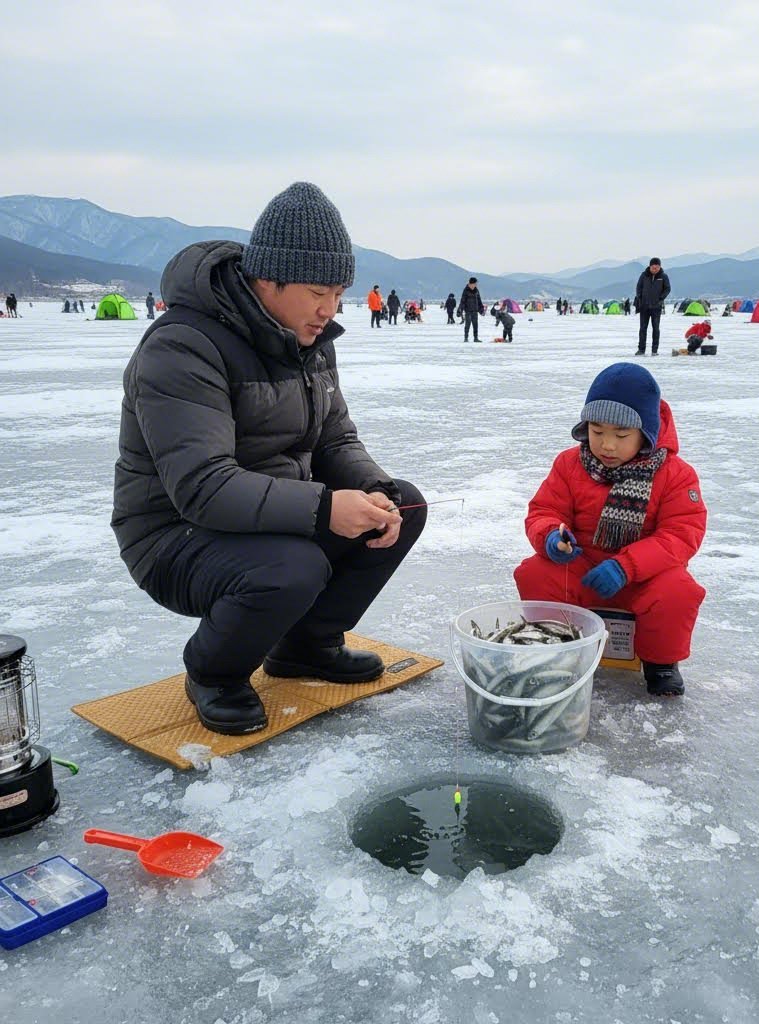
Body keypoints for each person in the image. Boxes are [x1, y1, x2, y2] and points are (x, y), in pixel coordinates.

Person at [111, 182, 426, 735]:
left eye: (339, 294)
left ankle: (307, 646)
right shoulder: (183, 346)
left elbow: (334, 440)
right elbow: (204, 487)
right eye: (317, 292)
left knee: (404, 506)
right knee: (293, 568)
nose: (329, 310)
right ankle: (214, 673)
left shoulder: (310, 342)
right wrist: (324, 508)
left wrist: (375, 489)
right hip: (173, 535)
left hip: (270, 520)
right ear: (268, 278)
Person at [514, 363, 706, 696]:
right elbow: (545, 511)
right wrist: (552, 537)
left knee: (678, 591)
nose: (607, 445)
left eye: (621, 435)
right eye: (597, 430)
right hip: (583, 568)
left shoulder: (676, 474)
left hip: (643, 576)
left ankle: (661, 663)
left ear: (646, 433)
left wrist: (627, 566)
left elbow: (680, 534)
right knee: (535, 573)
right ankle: (555, 648)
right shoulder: (569, 464)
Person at [634, 258, 671, 356]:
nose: (655, 269)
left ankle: (654, 350)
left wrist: (660, 298)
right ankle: (641, 350)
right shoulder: (644, 275)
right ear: (650, 267)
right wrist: (640, 298)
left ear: (660, 267)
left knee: (656, 329)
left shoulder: (663, 276)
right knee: (643, 328)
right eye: (653, 268)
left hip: (656, 307)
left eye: (657, 267)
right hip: (644, 307)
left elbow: (667, 289)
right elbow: (638, 287)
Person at [457, 277, 484, 342]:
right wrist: (460, 310)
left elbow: (479, 301)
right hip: (468, 311)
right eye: (475, 283)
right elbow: (462, 301)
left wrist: (481, 309)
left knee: (475, 325)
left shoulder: (476, 290)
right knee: (467, 325)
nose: (476, 285)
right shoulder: (466, 290)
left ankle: (476, 338)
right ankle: (466, 338)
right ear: (471, 283)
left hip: (475, 310)